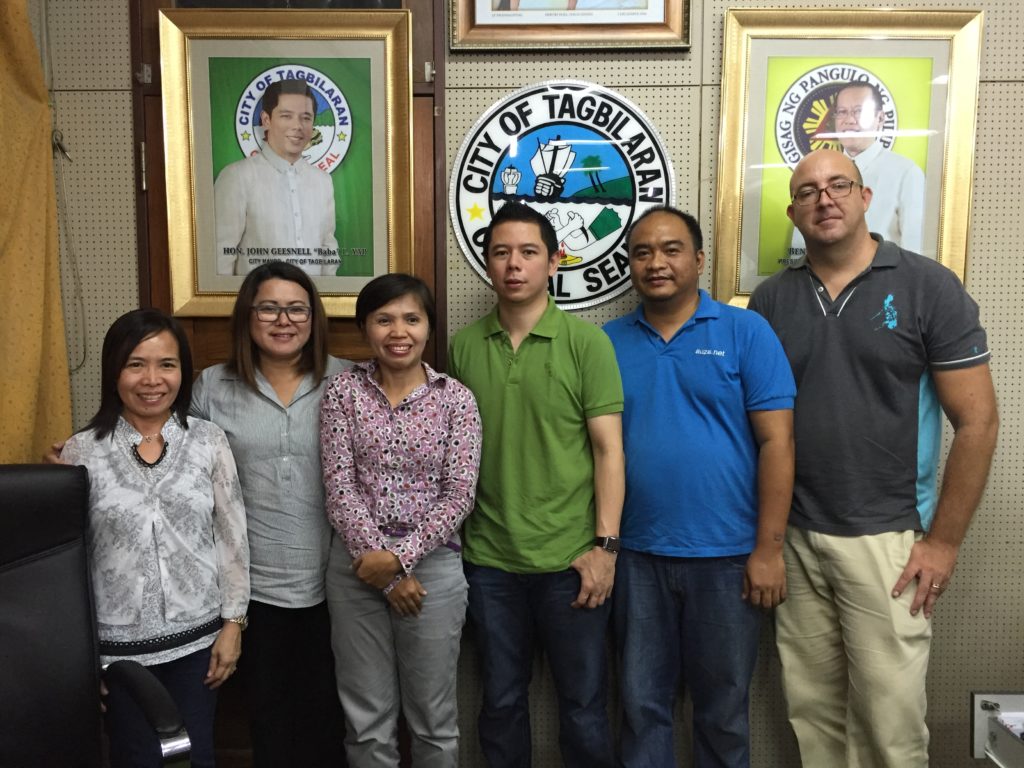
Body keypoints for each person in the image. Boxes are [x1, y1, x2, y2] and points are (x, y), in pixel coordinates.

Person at [749, 149, 999, 767]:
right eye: (807, 192)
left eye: (838, 185)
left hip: (887, 538)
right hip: (797, 538)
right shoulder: (771, 300)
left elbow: (978, 423)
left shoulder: (926, 285)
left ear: (866, 197)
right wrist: (768, 542)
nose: (824, 199)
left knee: (889, 727)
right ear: (793, 212)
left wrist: (942, 543)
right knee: (814, 718)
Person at [603, 206, 795, 768]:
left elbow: (778, 444)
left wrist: (769, 549)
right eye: (642, 253)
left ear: (699, 259)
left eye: (671, 249)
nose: (656, 263)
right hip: (636, 557)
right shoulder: (606, 343)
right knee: (641, 708)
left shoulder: (745, 332)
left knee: (724, 713)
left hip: (729, 559)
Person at [448, 201, 625, 768]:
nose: (513, 265)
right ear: (487, 263)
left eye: (528, 252)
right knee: (499, 704)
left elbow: (608, 451)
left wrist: (605, 549)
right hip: (491, 561)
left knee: (584, 706)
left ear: (554, 261)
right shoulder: (464, 346)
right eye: (501, 253)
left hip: (571, 561)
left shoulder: (586, 343)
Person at [59, 309, 250, 768]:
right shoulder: (80, 451)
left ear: (183, 372)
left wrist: (233, 625)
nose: (152, 379)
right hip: (117, 654)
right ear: (114, 371)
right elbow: (67, 566)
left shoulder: (208, 440)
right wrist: (80, 655)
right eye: (135, 364)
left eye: (167, 364)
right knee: (135, 758)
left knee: (196, 757)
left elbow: (232, 538)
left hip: (197, 644)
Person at [189, 260, 349, 767]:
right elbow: (170, 460)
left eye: (297, 308)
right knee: (270, 723)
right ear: (247, 316)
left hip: (339, 585)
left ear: (314, 317)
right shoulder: (213, 387)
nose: (284, 320)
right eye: (269, 308)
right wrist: (82, 454)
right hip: (252, 593)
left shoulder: (348, 380)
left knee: (334, 721)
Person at [320, 273, 482, 767]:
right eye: (384, 319)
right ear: (365, 328)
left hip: (432, 571)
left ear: (428, 327)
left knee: (434, 722)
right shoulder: (342, 393)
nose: (398, 331)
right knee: (366, 721)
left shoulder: (456, 399)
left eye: (411, 319)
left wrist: (398, 562)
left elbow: (459, 495)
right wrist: (379, 564)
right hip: (355, 567)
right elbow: (338, 486)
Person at [215, 79, 339, 276]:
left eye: (306, 117)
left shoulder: (323, 181)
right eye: (286, 116)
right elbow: (221, 256)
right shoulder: (237, 176)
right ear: (266, 120)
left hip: (311, 304)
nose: (297, 126)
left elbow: (328, 248)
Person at [790, 81, 925, 259]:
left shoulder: (906, 172)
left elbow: (913, 252)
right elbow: (800, 246)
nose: (849, 120)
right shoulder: (815, 171)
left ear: (880, 118)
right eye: (842, 112)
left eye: (859, 111)